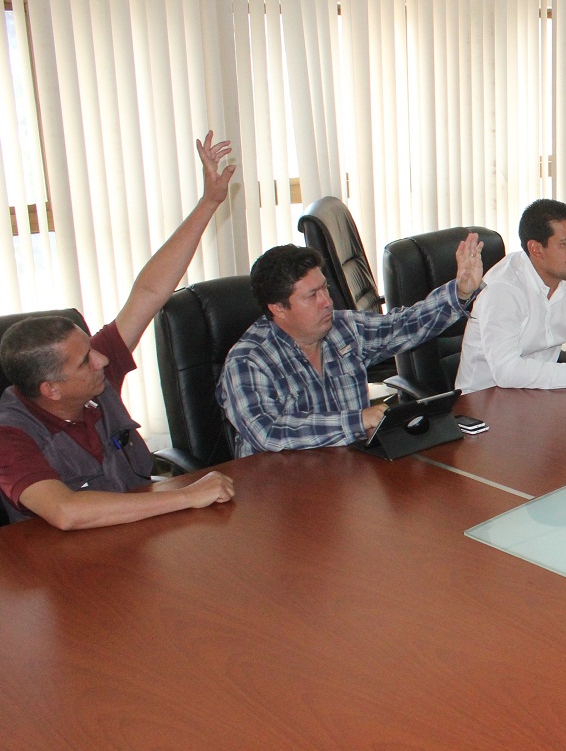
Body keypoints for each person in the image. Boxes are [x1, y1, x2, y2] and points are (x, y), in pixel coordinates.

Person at [0, 133, 237, 529]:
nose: (103, 358)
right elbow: (65, 512)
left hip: (139, 540)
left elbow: (149, 292)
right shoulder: (11, 434)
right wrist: (185, 496)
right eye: (85, 360)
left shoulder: (93, 376)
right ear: (51, 390)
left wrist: (209, 202)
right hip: (66, 572)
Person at [219, 235, 484, 456]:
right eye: (312, 296)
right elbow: (269, 432)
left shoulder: (342, 328)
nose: (327, 301)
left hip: (349, 471)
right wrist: (356, 421)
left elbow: (404, 325)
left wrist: (460, 292)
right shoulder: (248, 361)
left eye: (325, 288)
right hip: (280, 491)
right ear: (278, 308)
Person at [457, 199, 566, 391]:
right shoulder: (503, 287)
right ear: (536, 249)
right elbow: (507, 371)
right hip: (484, 400)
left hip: (542, 392)